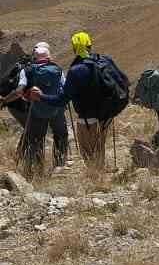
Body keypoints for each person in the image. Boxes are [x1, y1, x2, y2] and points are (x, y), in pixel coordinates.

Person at [8, 42, 68, 177]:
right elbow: (64, 87)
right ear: (48, 56)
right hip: (56, 109)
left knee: (36, 139)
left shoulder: (27, 70)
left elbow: (19, 91)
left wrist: (6, 100)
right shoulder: (57, 69)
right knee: (61, 135)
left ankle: (36, 170)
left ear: (35, 57)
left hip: (36, 109)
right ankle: (59, 166)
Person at [62, 30, 111, 166]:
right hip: (105, 115)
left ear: (77, 47)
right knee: (99, 148)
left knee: (87, 153)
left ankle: (95, 179)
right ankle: (100, 176)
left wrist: (43, 97)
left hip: (87, 118)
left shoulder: (77, 69)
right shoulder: (101, 62)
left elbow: (64, 97)